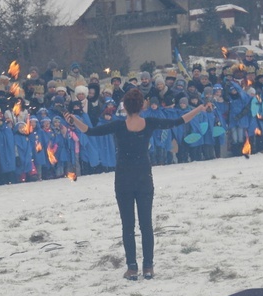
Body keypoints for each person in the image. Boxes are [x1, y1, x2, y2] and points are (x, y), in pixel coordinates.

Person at [65, 88, 207, 281]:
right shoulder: (150, 123)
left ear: (125, 106)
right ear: (141, 106)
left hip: (123, 178)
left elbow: (90, 131)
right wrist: (199, 108)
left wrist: (73, 119)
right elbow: (180, 120)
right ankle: (148, 267)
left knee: (128, 226)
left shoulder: (118, 125)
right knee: (146, 224)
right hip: (143, 177)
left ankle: (132, 268)